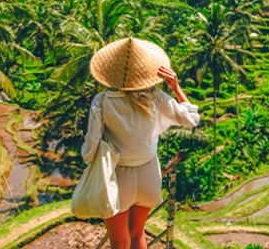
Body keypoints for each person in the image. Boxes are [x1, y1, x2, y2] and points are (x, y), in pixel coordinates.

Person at [81, 38, 200, 249]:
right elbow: (191, 119)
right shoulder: (154, 97)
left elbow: (90, 149)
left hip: (117, 176)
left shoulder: (101, 101)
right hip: (148, 175)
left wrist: (89, 159)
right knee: (137, 234)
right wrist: (176, 86)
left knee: (120, 241)